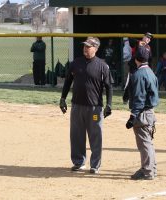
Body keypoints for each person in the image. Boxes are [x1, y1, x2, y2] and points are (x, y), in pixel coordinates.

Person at [59, 37, 113, 174]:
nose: (85, 48)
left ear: (95, 48)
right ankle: (79, 162)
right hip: (77, 106)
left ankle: (95, 165)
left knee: (95, 136)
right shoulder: (75, 63)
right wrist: (63, 98)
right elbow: (67, 82)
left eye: (88, 46)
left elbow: (109, 87)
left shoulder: (102, 66)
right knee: (76, 135)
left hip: (95, 107)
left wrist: (109, 105)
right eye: (84, 46)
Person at [125, 44, 159, 180]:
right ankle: (152, 168)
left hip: (142, 114)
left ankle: (147, 171)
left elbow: (139, 98)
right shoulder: (151, 72)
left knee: (144, 144)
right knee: (148, 143)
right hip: (150, 112)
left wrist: (132, 116)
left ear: (135, 59)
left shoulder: (138, 74)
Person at [123, 32, 153, 104]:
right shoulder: (137, 43)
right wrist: (139, 41)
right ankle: (125, 99)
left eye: (149, 38)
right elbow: (129, 39)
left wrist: (150, 69)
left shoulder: (148, 47)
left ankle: (140, 99)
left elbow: (150, 59)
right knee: (131, 83)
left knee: (142, 84)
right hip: (134, 67)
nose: (148, 39)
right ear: (143, 37)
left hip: (143, 68)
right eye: (147, 37)